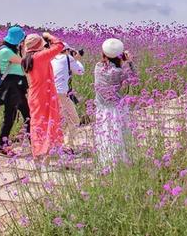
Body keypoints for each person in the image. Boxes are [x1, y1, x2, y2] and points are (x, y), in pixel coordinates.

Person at [21, 32, 65, 159]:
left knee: (37, 123)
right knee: (50, 121)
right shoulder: (40, 56)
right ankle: (46, 151)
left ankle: (39, 151)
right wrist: (49, 35)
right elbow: (59, 46)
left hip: (34, 95)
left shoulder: (26, 59)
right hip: (45, 94)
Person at [94, 38, 135, 167]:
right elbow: (134, 78)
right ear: (120, 55)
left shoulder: (98, 67)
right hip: (117, 107)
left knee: (106, 135)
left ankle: (106, 162)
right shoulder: (119, 71)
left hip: (102, 107)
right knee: (118, 136)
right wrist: (129, 62)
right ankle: (120, 162)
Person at [0, 26, 30, 157]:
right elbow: (25, 62)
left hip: (16, 87)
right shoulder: (5, 52)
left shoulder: (8, 50)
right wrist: (25, 50)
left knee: (27, 115)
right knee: (10, 117)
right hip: (11, 88)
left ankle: (32, 142)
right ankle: (3, 146)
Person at [51, 47, 84, 152]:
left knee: (60, 119)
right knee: (74, 119)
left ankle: (58, 144)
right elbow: (80, 71)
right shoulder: (67, 58)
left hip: (50, 93)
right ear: (66, 51)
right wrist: (77, 59)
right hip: (61, 94)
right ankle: (67, 145)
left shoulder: (52, 58)